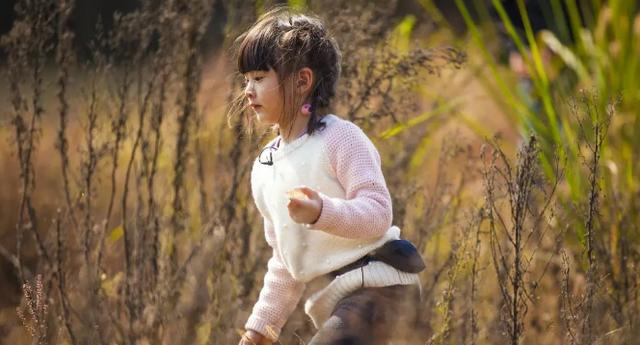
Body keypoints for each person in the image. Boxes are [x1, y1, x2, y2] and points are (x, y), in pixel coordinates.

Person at [232, 6, 424, 345]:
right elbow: (286, 261)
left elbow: (379, 214)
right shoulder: (265, 168)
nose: (248, 90)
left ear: (302, 81)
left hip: (382, 289)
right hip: (339, 303)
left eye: (260, 78)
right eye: (246, 79)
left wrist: (322, 212)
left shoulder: (340, 139)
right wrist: (260, 328)